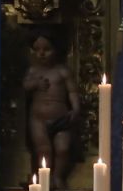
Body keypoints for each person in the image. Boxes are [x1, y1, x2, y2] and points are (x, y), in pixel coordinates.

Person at [23, 29, 81, 181]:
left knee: (63, 148)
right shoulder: (33, 71)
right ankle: (44, 178)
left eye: (46, 49)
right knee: (44, 149)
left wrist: (75, 108)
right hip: (38, 120)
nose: (41, 53)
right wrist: (35, 84)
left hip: (60, 118)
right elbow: (24, 86)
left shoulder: (62, 71)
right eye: (37, 50)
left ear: (56, 50)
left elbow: (72, 91)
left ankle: (58, 176)